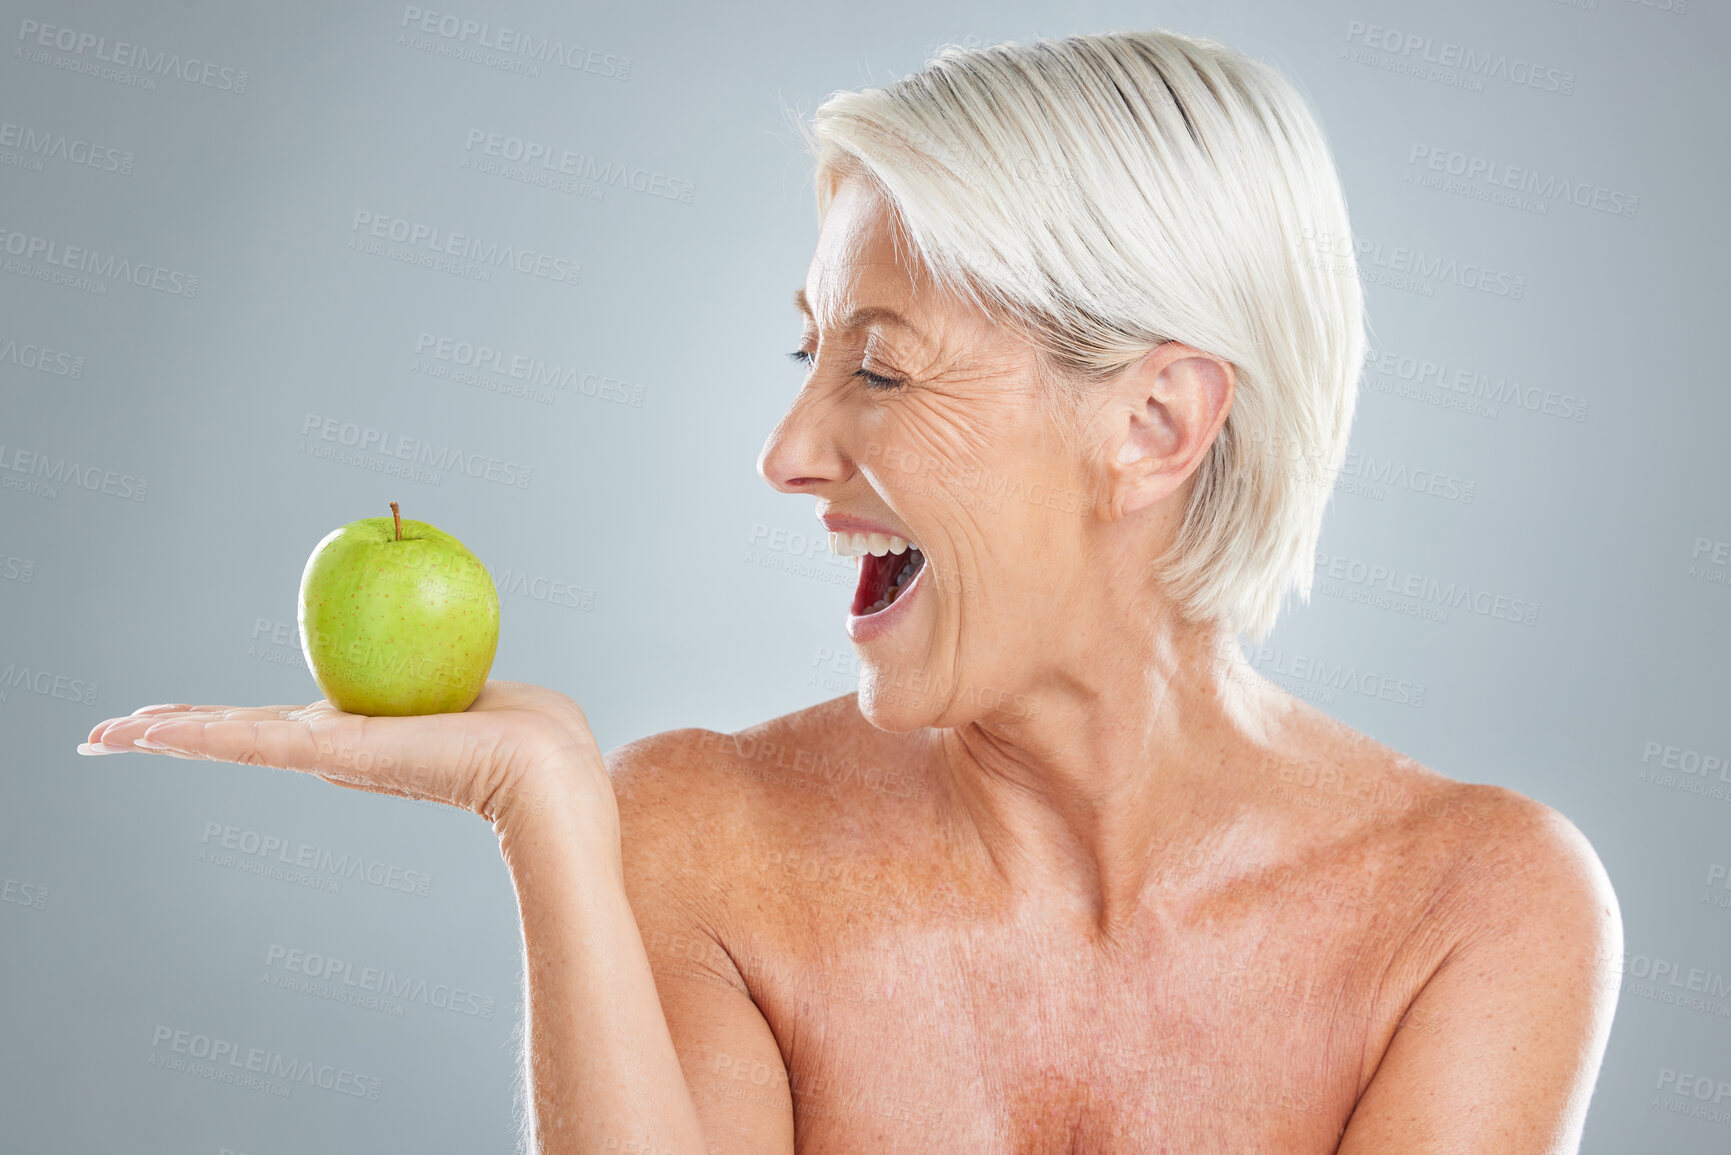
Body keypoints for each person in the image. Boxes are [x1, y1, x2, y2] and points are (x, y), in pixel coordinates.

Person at [80, 28, 1621, 1154]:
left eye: (879, 366)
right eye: (805, 351)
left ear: (1154, 424)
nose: (787, 451)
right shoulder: (698, 839)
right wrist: (543, 815)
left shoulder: (1479, 912)